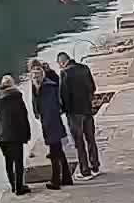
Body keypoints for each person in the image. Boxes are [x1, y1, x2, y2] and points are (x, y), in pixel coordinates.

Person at [28, 58, 75, 189]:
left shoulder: (47, 88)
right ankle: (66, 178)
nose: (34, 80)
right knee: (58, 151)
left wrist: (46, 124)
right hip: (51, 122)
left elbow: (49, 109)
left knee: (55, 153)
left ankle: (56, 181)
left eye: (35, 77)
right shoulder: (44, 86)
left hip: (51, 123)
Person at [56, 50, 100, 178]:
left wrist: (63, 110)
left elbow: (63, 95)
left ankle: (85, 170)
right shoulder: (84, 68)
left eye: (59, 64)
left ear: (62, 62)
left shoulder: (64, 73)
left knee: (79, 142)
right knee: (91, 139)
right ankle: (95, 165)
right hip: (87, 109)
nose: (59, 66)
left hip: (74, 113)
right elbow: (93, 88)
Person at [0, 75, 32, 195]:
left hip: (2, 135)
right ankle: (19, 187)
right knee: (18, 161)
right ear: (12, 84)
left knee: (8, 161)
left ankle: (13, 186)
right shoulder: (17, 96)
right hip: (16, 134)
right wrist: (27, 133)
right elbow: (23, 116)